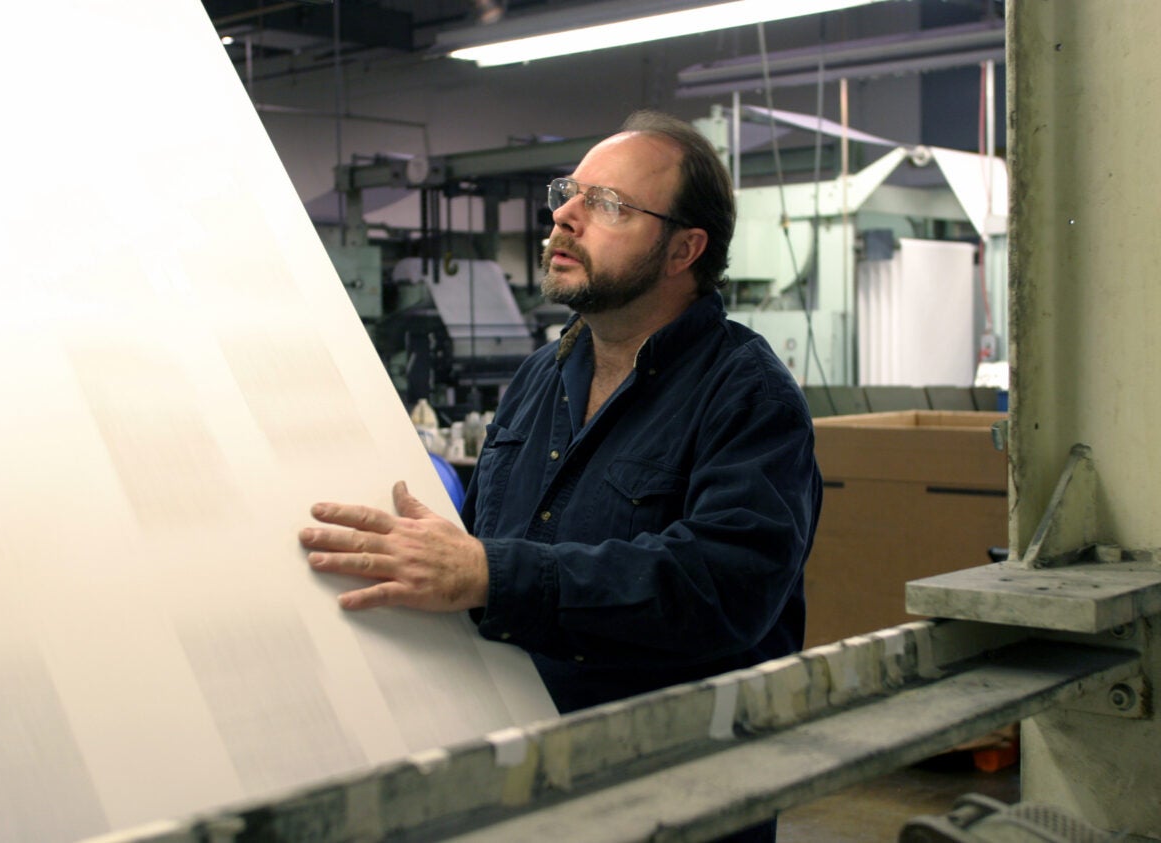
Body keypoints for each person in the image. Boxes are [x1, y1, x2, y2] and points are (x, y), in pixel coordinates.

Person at [299, 110, 822, 843]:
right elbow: (485, 544)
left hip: (674, 798)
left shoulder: (747, 394)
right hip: (527, 783)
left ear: (684, 249)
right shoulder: (540, 377)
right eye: (570, 193)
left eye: (608, 204)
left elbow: (723, 586)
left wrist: (491, 574)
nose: (565, 217)